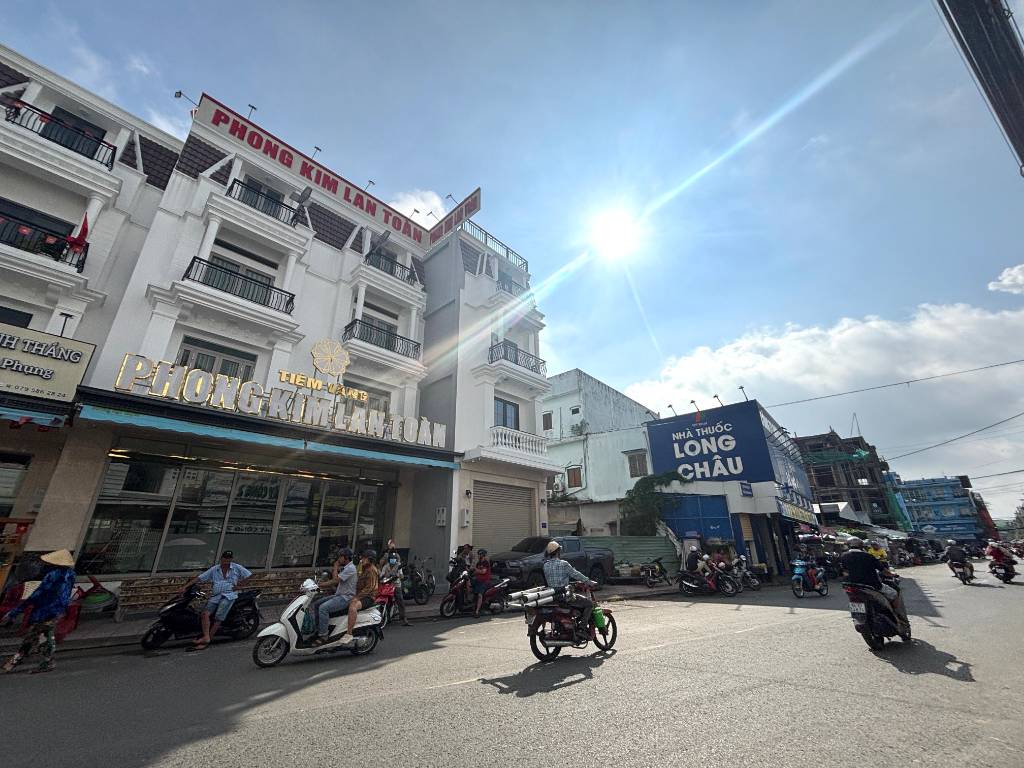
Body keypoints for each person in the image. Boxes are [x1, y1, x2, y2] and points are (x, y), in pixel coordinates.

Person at [1, 549, 76, 674]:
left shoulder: (53, 575)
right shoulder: (70, 574)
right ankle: (14, 663)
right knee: (37, 636)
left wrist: (16, 611)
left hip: (45, 610)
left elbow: (39, 594)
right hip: (56, 609)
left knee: (41, 637)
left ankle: (18, 663)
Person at [182, 550, 251, 650]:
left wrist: (241, 585)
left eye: (229, 559)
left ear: (231, 559)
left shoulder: (236, 567)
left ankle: (207, 640)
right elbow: (200, 578)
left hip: (229, 595)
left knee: (218, 617)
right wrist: (185, 587)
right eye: (225, 558)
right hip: (216, 596)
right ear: (221, 559)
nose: (227, 561)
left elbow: (249, 575)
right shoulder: (215, 569)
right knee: (204, 614)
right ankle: (206, 637)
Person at [840, 537, 908, 628]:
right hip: (871, 585)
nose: (874, 546)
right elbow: (883, 571)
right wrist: (892, 575)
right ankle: (900, 617)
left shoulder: (843, 556)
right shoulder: (868, 556)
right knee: (895, 593)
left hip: (852, 586)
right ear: (861, 546)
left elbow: (844, 572)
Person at [542, 540, 596, 632]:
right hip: (565, 597)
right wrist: (588, 581)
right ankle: (582, 627)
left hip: (553, 597)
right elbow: (576, 574)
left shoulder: (545, 565)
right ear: (558, 552)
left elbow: (555, 579)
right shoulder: (564, 564)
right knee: (589, 604)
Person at [312, 548, 357, 644]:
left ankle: (324, 635)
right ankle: (319, 629)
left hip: (346, 598)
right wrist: (335, 568)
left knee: (323, 608)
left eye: (340, 557)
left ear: (346, 557)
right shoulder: (346, 568)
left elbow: (335, 580)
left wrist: (319, 585)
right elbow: (335, 578)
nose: (338, 559)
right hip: (339, 595)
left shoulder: (351, 568)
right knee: (317, 604)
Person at [337, 549, 379, 646]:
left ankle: (349, 633)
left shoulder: (372, 570)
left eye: (364, 558)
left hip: (368, 597)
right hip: (360, 594)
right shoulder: (363, 567)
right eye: (362, 558)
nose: (361, 560)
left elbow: (369, 588)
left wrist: (357, 597)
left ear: (370, 559)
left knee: (353, 606)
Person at [379, 547, 411, 627]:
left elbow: (402, 576)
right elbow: (381, 575)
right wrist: (382, 576)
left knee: (400, 600)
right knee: (386, 600)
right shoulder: (386, 566)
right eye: (391, 559)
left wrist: (398, 575)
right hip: (387, 585)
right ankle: (387, 617)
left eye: (394, 559)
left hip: (396, 585)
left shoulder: (398, 566)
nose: (392, 561)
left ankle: (404, 618)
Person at [472, 548, 492, 618]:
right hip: (478, 581)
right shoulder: (478, 563)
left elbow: (483, 572)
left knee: (480, 595)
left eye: (479, 554)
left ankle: (477, 611)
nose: (478, 556)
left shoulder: (486, 563)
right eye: (478, 554)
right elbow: (476, 572)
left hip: (484, 581)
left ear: (483, 555)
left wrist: (475, 569)